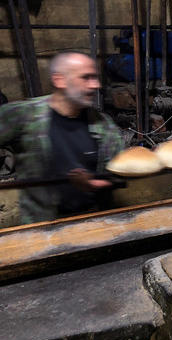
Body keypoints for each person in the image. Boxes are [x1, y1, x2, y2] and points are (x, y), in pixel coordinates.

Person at [0, 51, 124, 224]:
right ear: (60, 80)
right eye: (86, 77)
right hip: (41, 226)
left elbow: (119, 175)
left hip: (95, 222)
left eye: (95, 77)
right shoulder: (24, 115)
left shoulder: (104, 125)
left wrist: (98, 184)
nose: (96, 85)